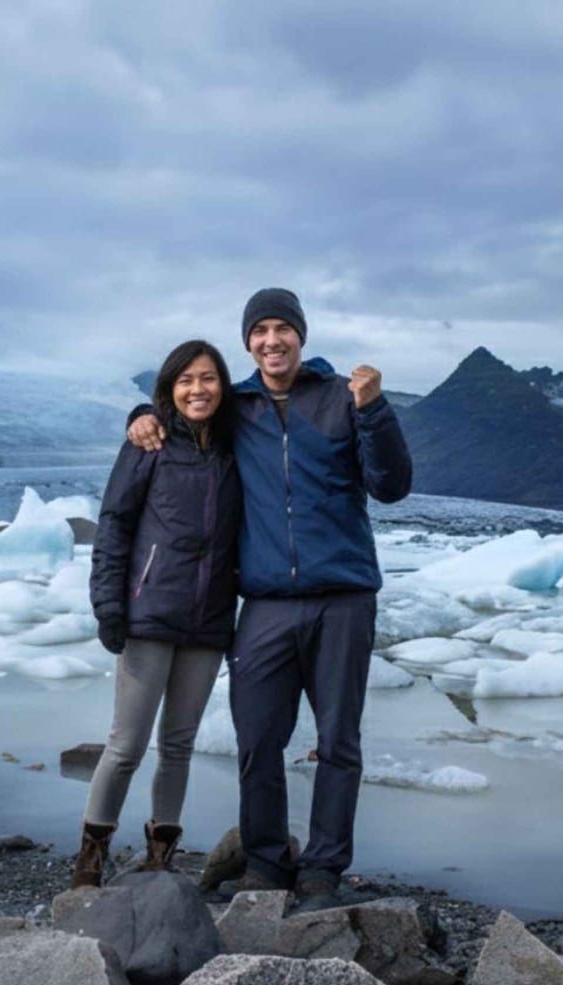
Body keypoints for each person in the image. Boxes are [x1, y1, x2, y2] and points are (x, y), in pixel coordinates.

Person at [127, 288, 411, 909]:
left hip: (344, 596)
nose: (271, 341)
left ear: (301, 337)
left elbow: (392, 486)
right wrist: (139, 415)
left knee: (338, 741)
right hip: (265, 603)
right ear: (248, 341)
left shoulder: (341, 399)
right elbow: (186, 405)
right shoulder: (238, 407)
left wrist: (375, 410)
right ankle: (264, 859)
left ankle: (322, 869)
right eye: (260, 331)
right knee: (258, 739)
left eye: (283, 329)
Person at [73, 339, 242, 888]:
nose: (199, 389)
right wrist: (108, 605)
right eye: (187, 379)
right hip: (149, 615)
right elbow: (114, 525)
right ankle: (91, 857)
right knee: (126, 746)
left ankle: (160, 858)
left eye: (209, 378)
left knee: (179, 745)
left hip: (208, 622)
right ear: (170, 388)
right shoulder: (150, 444)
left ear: (223, 385)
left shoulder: (235, 446)